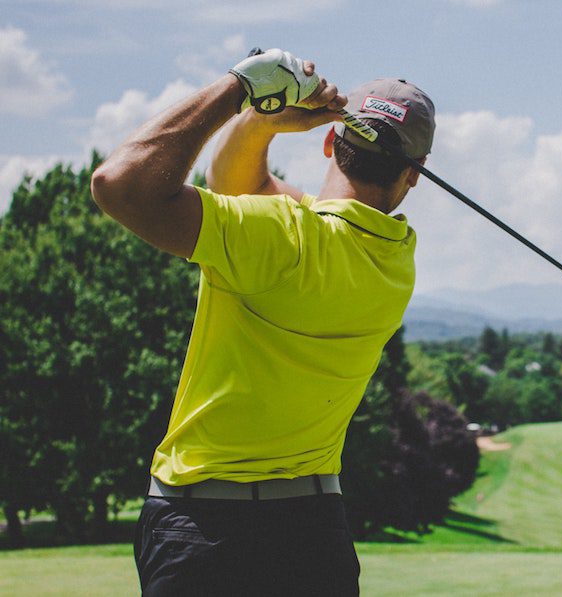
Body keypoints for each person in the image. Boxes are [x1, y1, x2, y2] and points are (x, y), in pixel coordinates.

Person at [91, 48, 435, 596]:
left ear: (329, 140)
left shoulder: (278, 237)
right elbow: (241, 187)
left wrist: (240, 89)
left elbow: (119, 183)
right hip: (316, 536)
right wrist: (258, 124)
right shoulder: (395, 264)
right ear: (413, 177)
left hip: (203, 532)